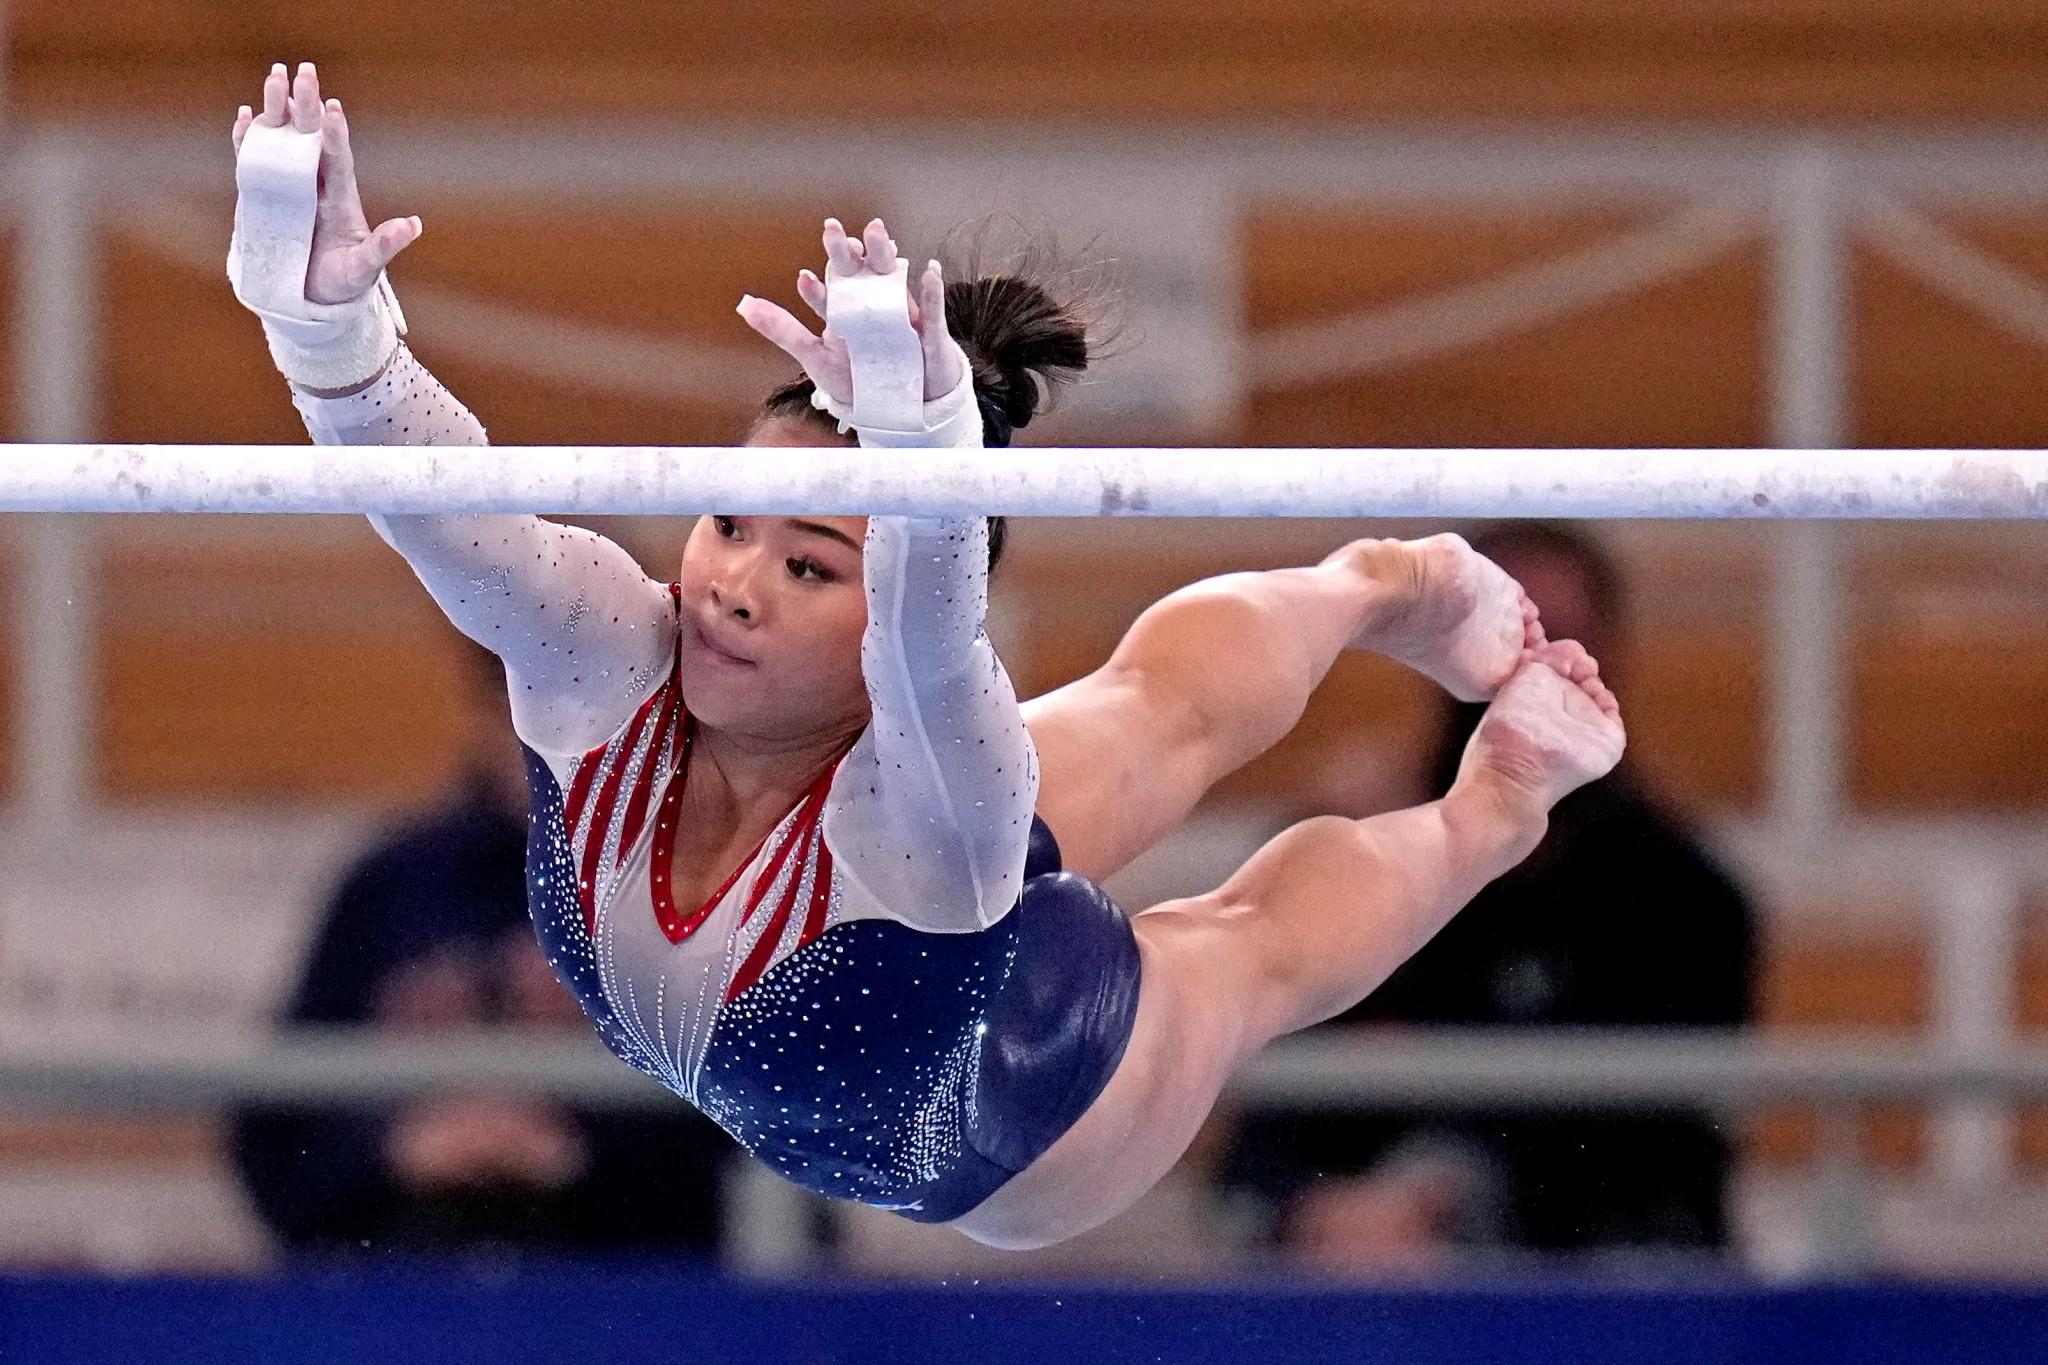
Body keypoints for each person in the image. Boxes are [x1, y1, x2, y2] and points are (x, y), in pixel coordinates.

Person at [224, 61, 1626, 1250]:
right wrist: (327, 332)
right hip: (915, 924)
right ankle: (1381, 587)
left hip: (1036, 1092)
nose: (733, 587)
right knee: (1146, 719)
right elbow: (454, 520)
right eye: (729, 523)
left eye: (810, 565)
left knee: (1237, 924)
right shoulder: (611, 669)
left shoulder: (924, 791)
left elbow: (933, 643)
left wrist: (929, 467)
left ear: (883, 598)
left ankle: (1476, 775)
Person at [1222, 522, 1756, 1267]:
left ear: (1612, 661)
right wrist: (1307, 1211)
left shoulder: (1683, 900)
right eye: (1505, 647)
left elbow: (1667, 1153)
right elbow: (1264, 1130)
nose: (1528, 681)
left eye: (1559, 645)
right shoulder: (1339, 859)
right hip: (1355, 1270)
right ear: (1438, 660)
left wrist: (1455, 1197)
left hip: (1590, 1285)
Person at [232, 642, 735, 1257]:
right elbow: (277, 1137)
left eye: (596, 707)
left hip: (622, 1280)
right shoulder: (390, 886)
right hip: (407, 1268)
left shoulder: (702, 891)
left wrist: (586, 1153)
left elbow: (761, 1156)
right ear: (488, 707)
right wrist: (394, 1147)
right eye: (531, 699)